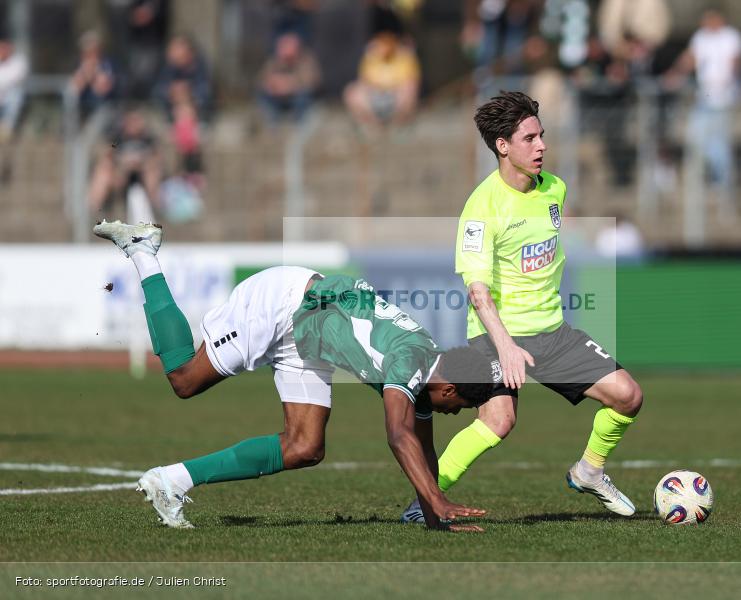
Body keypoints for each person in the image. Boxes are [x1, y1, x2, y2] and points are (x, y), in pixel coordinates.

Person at [92, 219, 494, 531]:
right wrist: (436, 502)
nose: (455, 413)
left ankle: (171, 481)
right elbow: (398, 435)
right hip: (284, 304)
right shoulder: (411, 363)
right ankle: (144, 254)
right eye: (459, 406)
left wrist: (435, 511)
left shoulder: (430, 375)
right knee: (184, 378)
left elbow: (423, 448)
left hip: (312, 331)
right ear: (450, 387)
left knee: (305, 446)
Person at [401, 91, 643, 523]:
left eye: (542, 136)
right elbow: (478, 291)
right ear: (503, 146)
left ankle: (589, 470)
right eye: (530, 138)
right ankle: (426, 502)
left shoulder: (555, 189)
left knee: (628, 396)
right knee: (499, 421)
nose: (542, 146)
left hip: (553, 332)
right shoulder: (481, 208)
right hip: (497, 337)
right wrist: (507, 346)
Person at [667, 9, 741, 216]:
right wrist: (674, 74)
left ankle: (725, 188)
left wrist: (727, 80)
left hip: (723, 99)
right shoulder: (700, 37)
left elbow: (735, 62)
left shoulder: (731, 36)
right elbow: (690, 59)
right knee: (697, 138)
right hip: (705, 99)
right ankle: (716, 180)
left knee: (720, 146)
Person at [88, 109, 162, 215]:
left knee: (152, 170)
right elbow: (108, 153)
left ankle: (155, 206)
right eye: (131, 121)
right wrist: (122, 161)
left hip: (142, 171)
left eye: (137, 121)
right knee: (104, 169)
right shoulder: (118, 138)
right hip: (121, 171)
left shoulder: (148, 139)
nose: (134, 125)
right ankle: (94, 208)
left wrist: (142, 162)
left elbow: (156, 156)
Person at [343, 30, 420, 129]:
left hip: (396, 96)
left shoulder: (404, 57)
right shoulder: (371, 57)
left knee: (410, 88)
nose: (383, 47)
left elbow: (412, 80)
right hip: (374, 95)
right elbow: (364, 79)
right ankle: (372, 125)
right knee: (351, 91)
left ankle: (398, 124)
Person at [257, 32, 321, 124]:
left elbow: (312, 82)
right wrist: (272, 85)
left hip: (297, 99)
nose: (284, 50)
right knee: (262, 95)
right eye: (282, 47)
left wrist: (289, 84)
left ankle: (300, 122)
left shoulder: (306, 59)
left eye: (288, 47)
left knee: (304, 95)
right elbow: (262, 81)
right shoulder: (274, 61)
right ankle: (271, 123)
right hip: (277, 98)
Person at [153, 35, 212, 121]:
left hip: (198, 118)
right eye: (171, 49)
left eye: (176, 50)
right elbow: (157, 91)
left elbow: (206, 93)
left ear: (188, 52)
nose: (171, 53)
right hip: (170, 117)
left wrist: (189, 92)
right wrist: (171, 91)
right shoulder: (168, 66)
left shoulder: (200, 66)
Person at [0, 34, 28, 183]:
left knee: (14, 96)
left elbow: (14, 80)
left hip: (10, 107)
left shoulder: (19, 62)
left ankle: (7, 128)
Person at [69, 31, 117, 116]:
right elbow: (73, 91)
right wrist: (84, 76)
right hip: (80, 108)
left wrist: (94, 75)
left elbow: (103, 91)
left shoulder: (107, 65)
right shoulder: (78, 65)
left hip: (103, 108)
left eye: (91, 53)